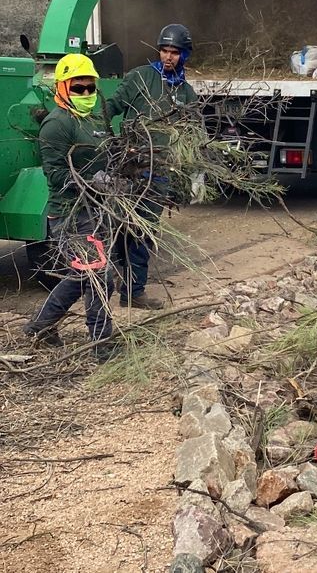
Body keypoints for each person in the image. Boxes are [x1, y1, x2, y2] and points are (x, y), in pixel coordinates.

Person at [22, 54, 121, 360]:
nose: (86, 94)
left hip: (94, 209)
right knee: (97, 276)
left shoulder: (92, 119)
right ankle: (100, 343)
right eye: (79, 89)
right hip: (70, 214)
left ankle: (40, 325)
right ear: (63, 88)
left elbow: (106, 155)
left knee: (81, 276)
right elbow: (56, 174)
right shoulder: (56, 125)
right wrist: (93, 180)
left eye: (90, 88)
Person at [107, 24, 198, 310]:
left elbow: (193, 134)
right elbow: (111, 107)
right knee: (122, 227)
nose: (168, 57)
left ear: (184, 55)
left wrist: (193, 172)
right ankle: (125, 286)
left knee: (143, 229)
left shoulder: (186, 93)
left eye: (175, 52)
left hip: (159, 172)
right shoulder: (140, 78)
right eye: (164, 50)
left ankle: (133, 291)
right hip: (130, 166)